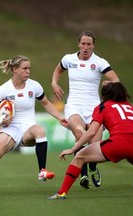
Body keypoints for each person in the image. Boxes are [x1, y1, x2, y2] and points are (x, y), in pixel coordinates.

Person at [0, 55, 69, 198]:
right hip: (10, 129)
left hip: (28, 129)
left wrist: (60, 117)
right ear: (15, 70)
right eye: (24, 68)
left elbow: (46, 104)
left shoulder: (34, 86)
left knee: (40, 130)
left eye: (29, 68)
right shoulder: (4, 89)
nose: (28, 71)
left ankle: (42, 171)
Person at [48, 82, 133, 200]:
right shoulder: (131, 107)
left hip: (118, 144)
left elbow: (91, 132)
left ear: (104, 96)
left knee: (79, 157)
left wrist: (73, 149)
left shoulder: (102, 106)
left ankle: (61, 193)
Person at [51, 30, 119, 189]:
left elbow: (116, 80)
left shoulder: (100, 62)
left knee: (95, 147)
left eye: (89, 44)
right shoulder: (68, 59)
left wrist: (109, 84)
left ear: (93, 45)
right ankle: (83, 175)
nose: (86, 47)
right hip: (74, 105)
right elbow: (58, 70)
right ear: (79, 44)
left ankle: (93, 167)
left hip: (94, 106)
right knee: (80, 134)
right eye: (83, 43)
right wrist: (54, 82)